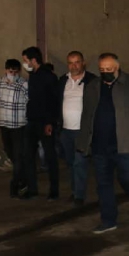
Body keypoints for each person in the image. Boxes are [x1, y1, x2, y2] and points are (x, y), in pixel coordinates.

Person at [77, 53, 129, 234]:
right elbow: (87, 115)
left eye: (109, 69)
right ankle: (108, 220)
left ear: (117, 68)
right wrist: (83, 141)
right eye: (102, 69)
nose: (105, 72)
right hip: (100, 145)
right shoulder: (93, 87)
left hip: (126, 143)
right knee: (103, 184)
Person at [57, 51, 96, 207]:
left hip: (82, 131)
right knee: (70, 162)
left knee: (80, 163)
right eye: (71, 63)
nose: (74, 66)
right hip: (66, 130)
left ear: (83, 63)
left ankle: (79, 195)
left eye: (77, 62)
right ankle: (75, 191)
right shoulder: (63, 81)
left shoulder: (92, 81)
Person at [21, 46, 60, 200]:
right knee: (28, 156)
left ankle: (54, 190)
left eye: (26, 61)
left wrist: (50, 122)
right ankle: (32, 189)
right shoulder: (33, 76)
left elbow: (54, 101)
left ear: (33, 60)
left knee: (50, 156)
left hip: (45, 122)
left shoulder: (48, 77)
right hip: (32, 121)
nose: (25, 64)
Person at [0, 58, 29, 198]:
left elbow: (28, 100)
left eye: (15, 72)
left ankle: (15, 184)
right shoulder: (1, 82)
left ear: (19, 71)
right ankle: (23, 177)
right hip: (4, 123)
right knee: (10, 152)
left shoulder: (24, 84)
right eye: (10, 71)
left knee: (18, 154)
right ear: (6, 70)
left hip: (18, 125)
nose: (13, 74)